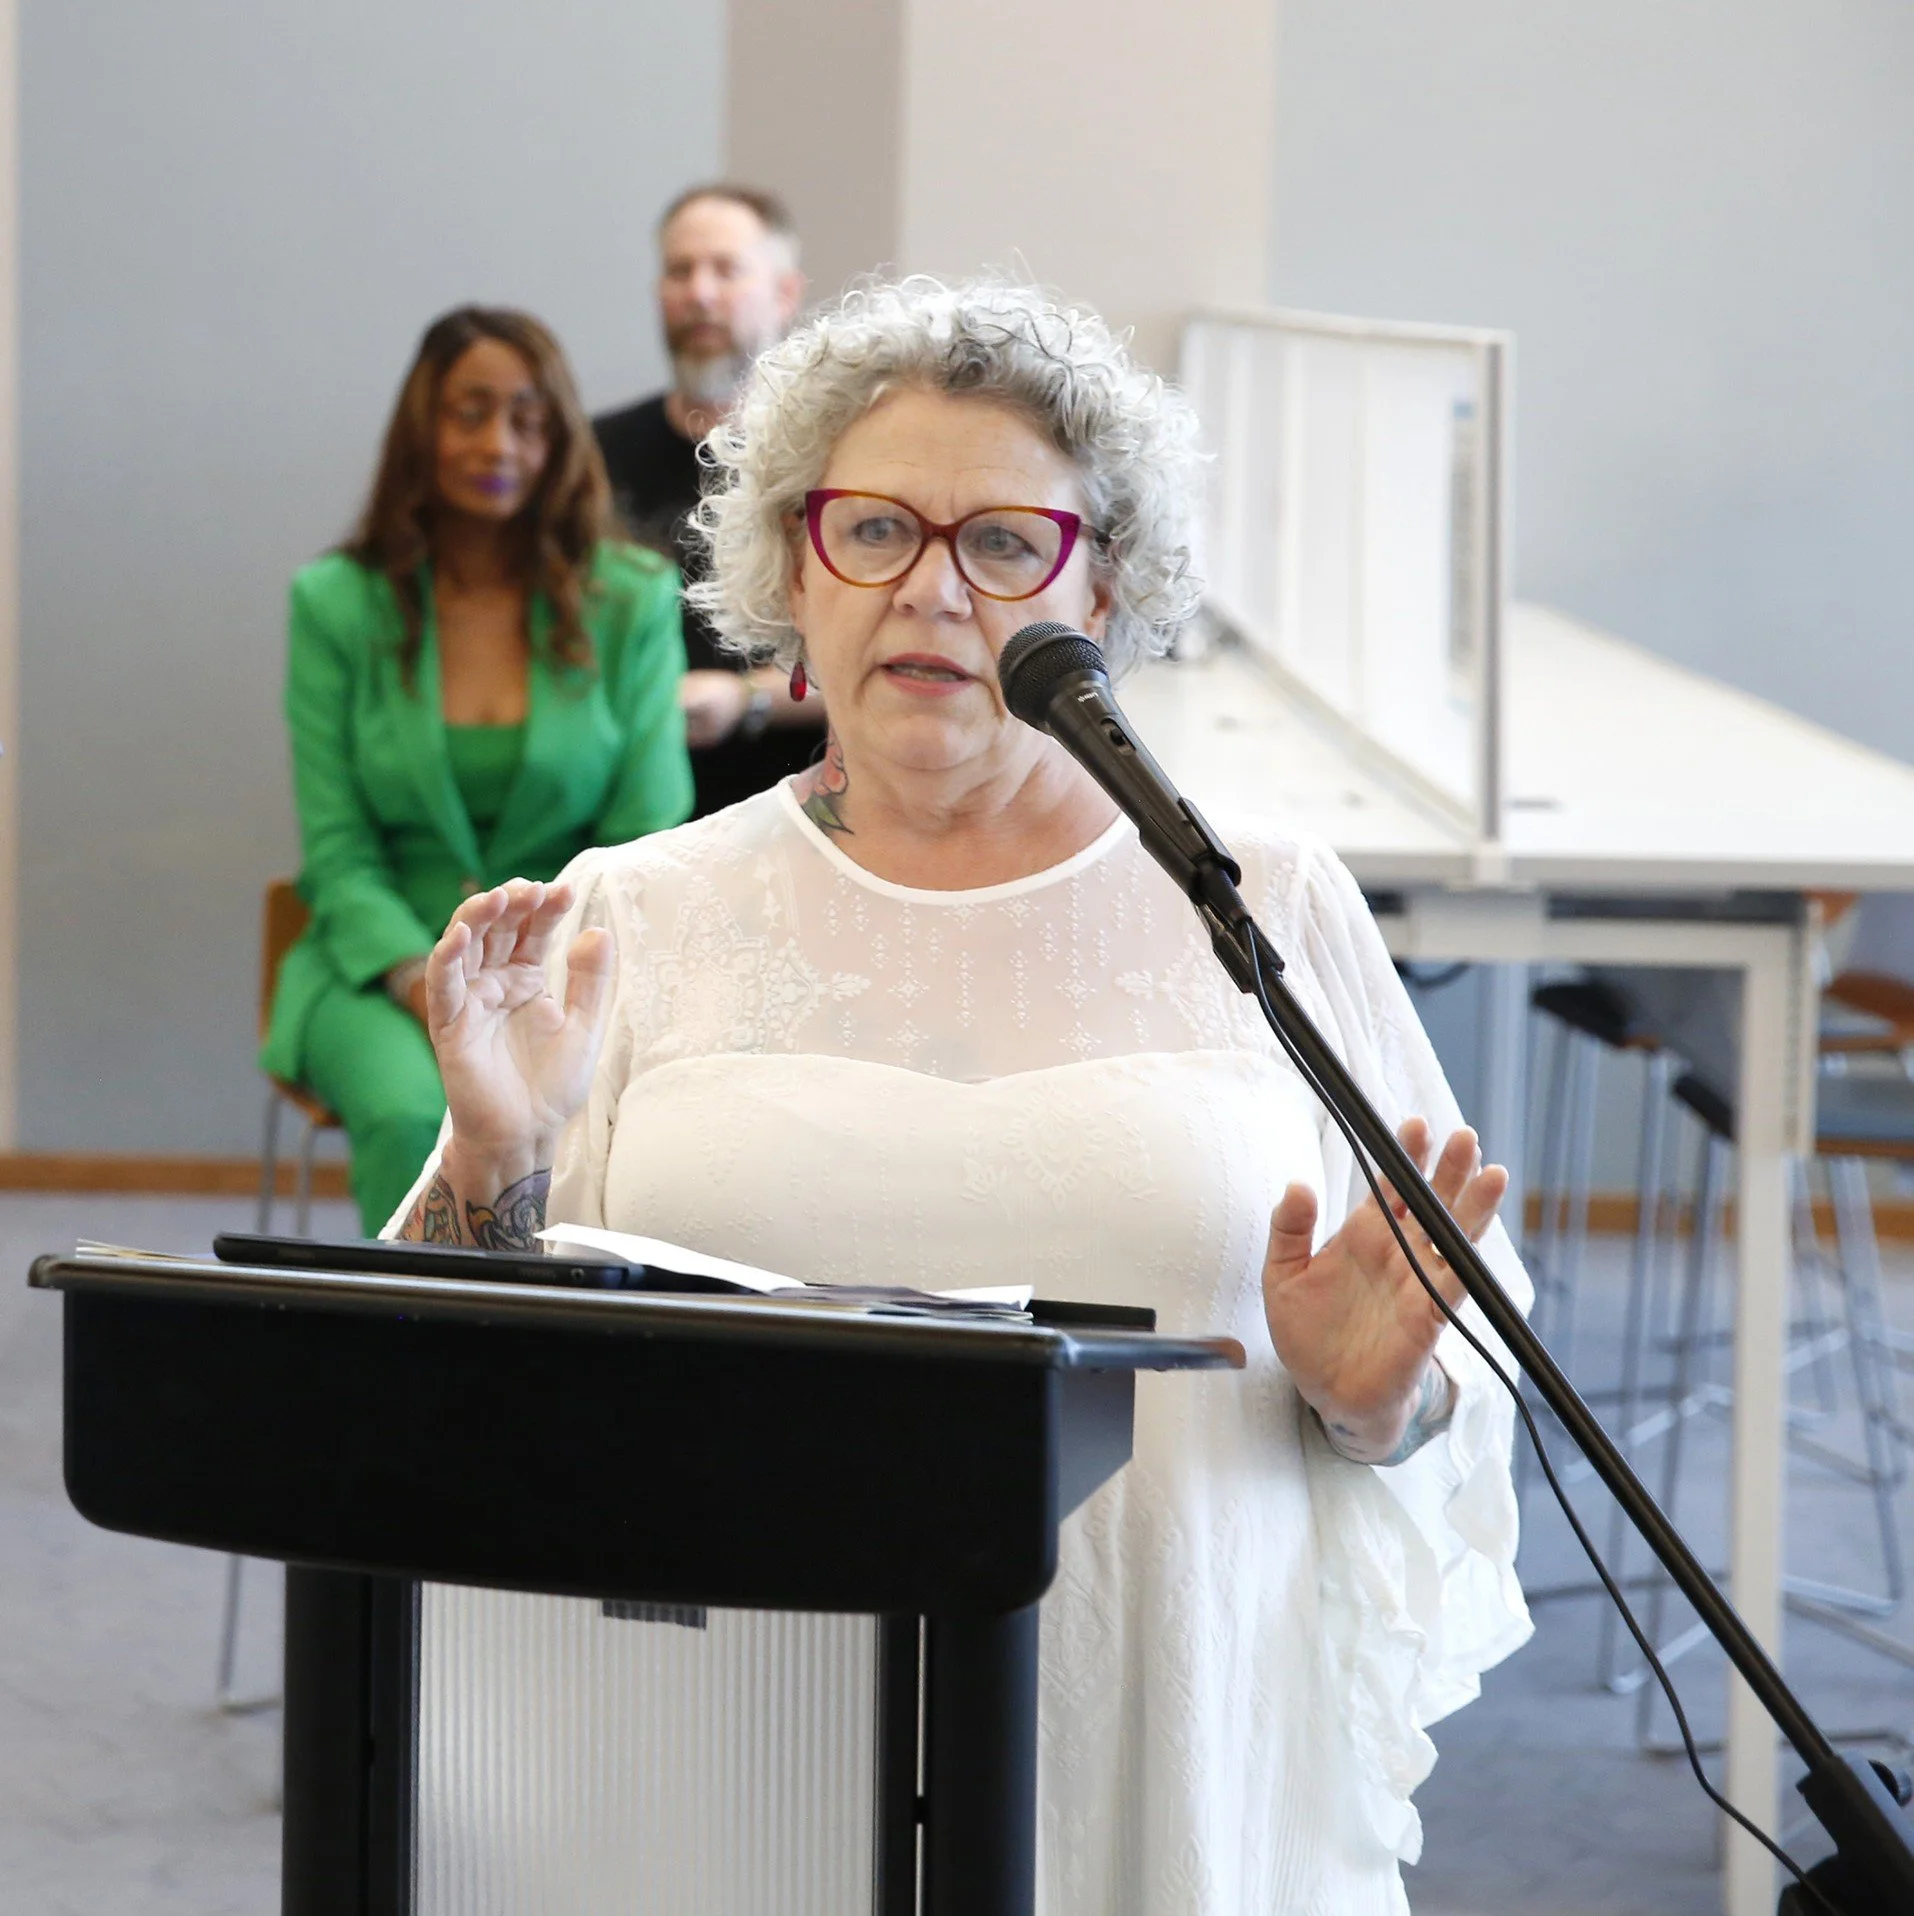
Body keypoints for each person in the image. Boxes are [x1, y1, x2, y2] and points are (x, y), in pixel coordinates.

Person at [394, 279, 1533, 1911]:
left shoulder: (1252, 895)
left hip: (1154, 1750)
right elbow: (422, 1391)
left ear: (1099, 589)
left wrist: (1369, 1402)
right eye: (875, 530)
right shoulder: (628, 912)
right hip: (726, 1768)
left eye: (1004, 542)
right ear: (794, 564)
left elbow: (1455, 1395)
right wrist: (501, 1157)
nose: (931, 589)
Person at [260, 305, 692, 1236]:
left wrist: (534, 978)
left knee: (620, 1123)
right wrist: (427, 979)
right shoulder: (336, 603)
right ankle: (418, 1356)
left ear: (560, 437)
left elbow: (649, 829)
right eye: (470, 411)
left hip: (562, 962)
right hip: (379, 964)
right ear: (423, 425)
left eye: (529, 418)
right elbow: (337, 848)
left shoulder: (630, 599)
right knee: (420, 1114)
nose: (500, 441)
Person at [593, 183, 824, 815]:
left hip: (798, 807)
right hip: (616, 816)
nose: (698, 293)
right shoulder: (590, 457)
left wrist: (745, 698)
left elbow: (881, 655)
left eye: (725, 270)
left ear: (784, 293)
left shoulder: (834, 457)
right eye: (679, 271)